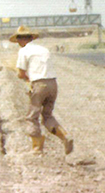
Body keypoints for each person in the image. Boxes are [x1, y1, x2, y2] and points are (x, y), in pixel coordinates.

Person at [11, 26, 74, 155]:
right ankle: (65, 136)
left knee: (31, 117)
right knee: (47, 116)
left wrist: (25, 77)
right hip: (53, 84)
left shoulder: (24, 51)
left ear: (20, 40)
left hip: (39, 85)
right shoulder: (43, 49)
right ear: (31, 37)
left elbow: (21, 74)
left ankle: (37, 147)